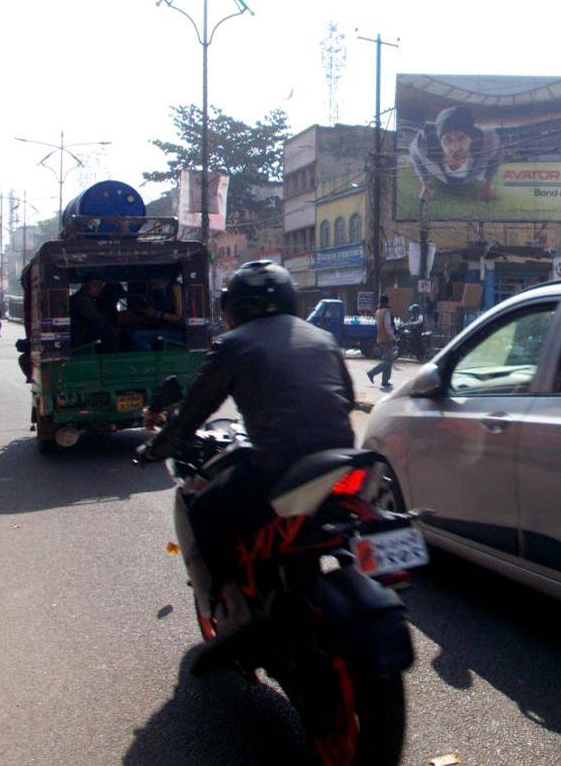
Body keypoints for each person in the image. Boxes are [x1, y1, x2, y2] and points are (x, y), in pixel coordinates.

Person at [140, 261, 356, 629]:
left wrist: (153, 450)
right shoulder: (323, 338)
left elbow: (192, 414)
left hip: (277, 466)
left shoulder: (232, 344)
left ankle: (232, 602)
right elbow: (347, 399)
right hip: (341, 461)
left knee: (204, 509)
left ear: (234, 308)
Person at [408, 105, 501, 203]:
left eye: (461, 138)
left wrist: (487, 185)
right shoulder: (423, 145)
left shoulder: (489, 144)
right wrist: (424, 183)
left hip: (474, 174)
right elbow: (414, 154)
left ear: (472, 138)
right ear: (439, 141)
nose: (455, 147)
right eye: (447, 139)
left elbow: (498, 156)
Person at [129, 273, 185, 351]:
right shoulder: (160, 291)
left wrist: (156, 313)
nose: (151, 283)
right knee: (131, 331)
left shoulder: (175, 288)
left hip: (178, 332)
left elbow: (178, 316)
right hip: (166, 327)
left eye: (152, 278)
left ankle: (150, 361)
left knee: (138, 336)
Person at [70, 273, 117, 351]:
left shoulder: (92, 300)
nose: (98, 289)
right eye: (95, 286)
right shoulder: (81, 300)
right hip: (80, 338)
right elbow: (94, 320)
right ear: (85, 285)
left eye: (101, 287)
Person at [366, 294, 397, 389]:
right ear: (387, 302)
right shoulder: (386, 312)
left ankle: (385, 381)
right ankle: (372, 373)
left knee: (387, 359)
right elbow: (388, 327)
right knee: (389, 360)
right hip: (386, 338)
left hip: (380, 337)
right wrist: (393, 338)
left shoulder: (378, 311)